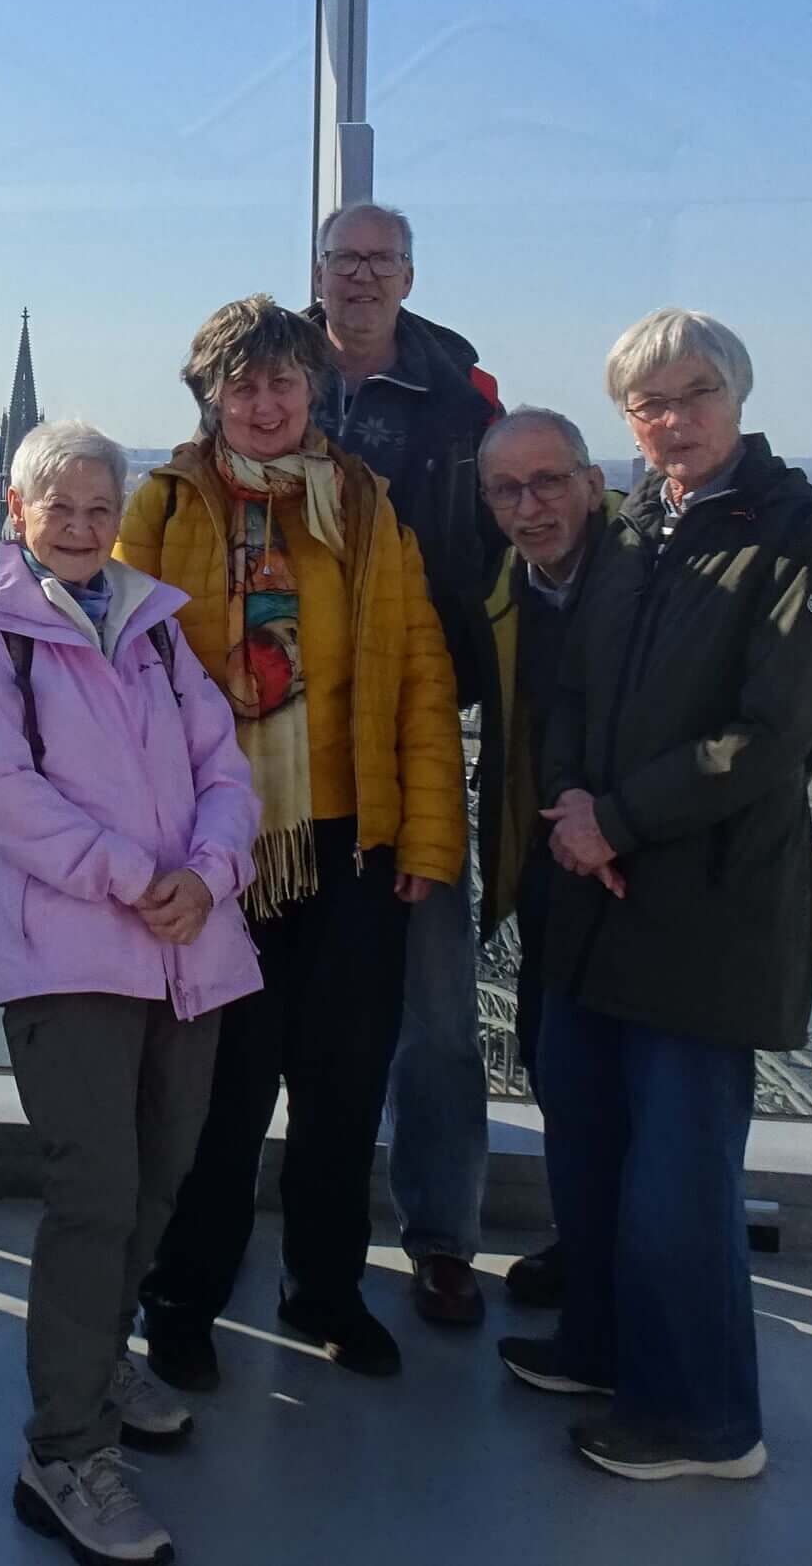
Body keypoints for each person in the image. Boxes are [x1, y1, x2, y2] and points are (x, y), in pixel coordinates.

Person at [497, 310, 812, 1484]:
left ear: (736, 396)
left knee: (680, 1179)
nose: (673, 419)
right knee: (593, 1144)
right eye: (648, 404)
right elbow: (572, 686)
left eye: (694, 394)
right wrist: (571, 807)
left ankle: (702, 1420)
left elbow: (773, 736)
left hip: (704, 903)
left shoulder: (795, 537)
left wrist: (618, 820)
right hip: (596, 888)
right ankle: (604, 1349)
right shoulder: (639, 524)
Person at [126, 295, 467, 1392]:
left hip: (349, 842)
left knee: (344, 1085)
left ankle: (325, 1291)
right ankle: (184, 1296)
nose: (266, 404)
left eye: (283, 382)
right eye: (244, 386)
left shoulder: (364, 504)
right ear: (210, 397)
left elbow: (419, 674)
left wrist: (426, 839)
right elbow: (118, 684)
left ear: (313, 390)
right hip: (219, 848)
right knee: (219, 1094)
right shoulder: (164, 506)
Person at [0, 419, 261, 1566]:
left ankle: (97, 1364)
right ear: (16, 512)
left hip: (189, 951)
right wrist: (139, 878)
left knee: (161, 1182)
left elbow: (227, 772)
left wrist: (211, 874)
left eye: (98, 508)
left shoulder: (159, 629)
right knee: (96, 1199)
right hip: (72, 958)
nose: (81, 528)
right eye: (58, 508)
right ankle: (64, 1451)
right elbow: (2, 795)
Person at [308, 200, 504, 1329]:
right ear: (319, 273)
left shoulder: (462, 400)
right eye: (346, 258)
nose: (364, 276)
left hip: (414, 717)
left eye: (382, 260)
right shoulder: (265, 373)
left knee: (435, 1010)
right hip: (282, 731)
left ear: (411, 276)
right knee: (267, 1002)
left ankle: (440, 1237)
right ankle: (269, 1224)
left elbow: (505, 544)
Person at [468, 407, 619, 1314]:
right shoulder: (506, 589)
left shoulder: (646, 574)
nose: (530, 506)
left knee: (626, 1078)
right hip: (545, 857)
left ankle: (623, 1284)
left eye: (549, 482)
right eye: (507, 491)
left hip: (631, 858)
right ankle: (587, 1250)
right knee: (555, 1057)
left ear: (592, 484)